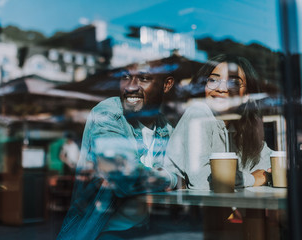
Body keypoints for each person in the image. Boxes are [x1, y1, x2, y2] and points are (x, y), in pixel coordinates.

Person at [57, 58, 178, 240]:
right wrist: (170, 178)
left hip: (143, 231)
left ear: (167, 85)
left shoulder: (165, 128)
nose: (130, 87)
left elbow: (188, 169)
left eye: (144, 78)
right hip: (97, 233)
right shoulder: (108, 113)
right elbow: (123, 176)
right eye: (125, 77)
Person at [164, 54, 272, 190]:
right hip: (179, 207)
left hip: (216, 206)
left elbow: (269, 162)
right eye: (213, 80)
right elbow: (202, 180)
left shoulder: (239, 126)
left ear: (246, 96)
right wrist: (252, 178)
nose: (221, 88)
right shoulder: (198, 113)